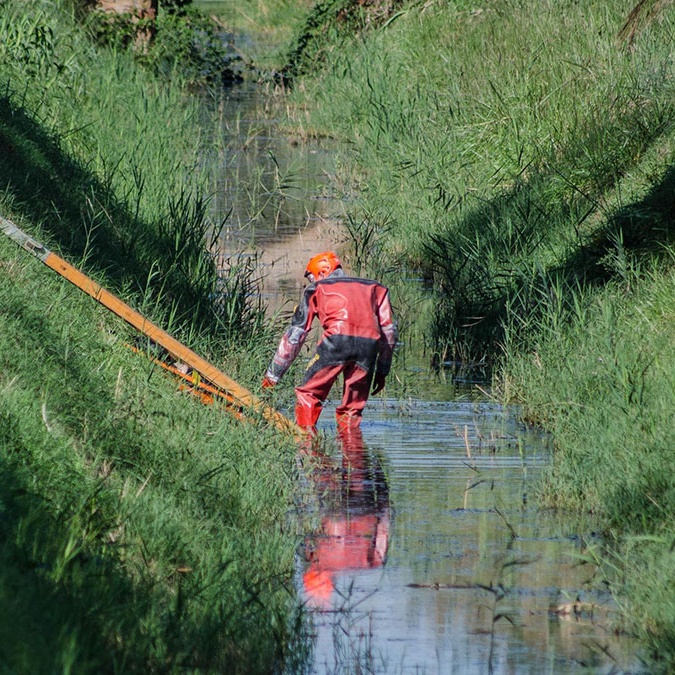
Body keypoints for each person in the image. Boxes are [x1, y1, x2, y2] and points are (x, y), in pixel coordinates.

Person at [262, 251, 397, 433]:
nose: (312, 282)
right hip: (369, 346)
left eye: (312, 277)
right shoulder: (376, 288)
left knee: (308, 394)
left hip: (336, 342)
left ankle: (307, 445)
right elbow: (389, 331)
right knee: (352, 408)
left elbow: (295, 335)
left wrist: (272, 376)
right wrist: (382, 370)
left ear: (322, 273)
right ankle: (353, 454)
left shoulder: (316, 289)